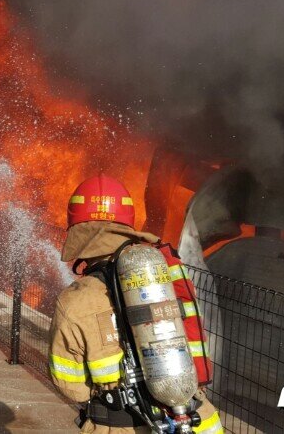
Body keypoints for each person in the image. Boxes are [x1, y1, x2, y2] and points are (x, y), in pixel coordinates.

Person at [48, 173, 223, 434]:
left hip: (123, 425)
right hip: (197, 419)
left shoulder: (75, 301)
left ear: (78, 227)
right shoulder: (166, 270)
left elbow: (72, 385)